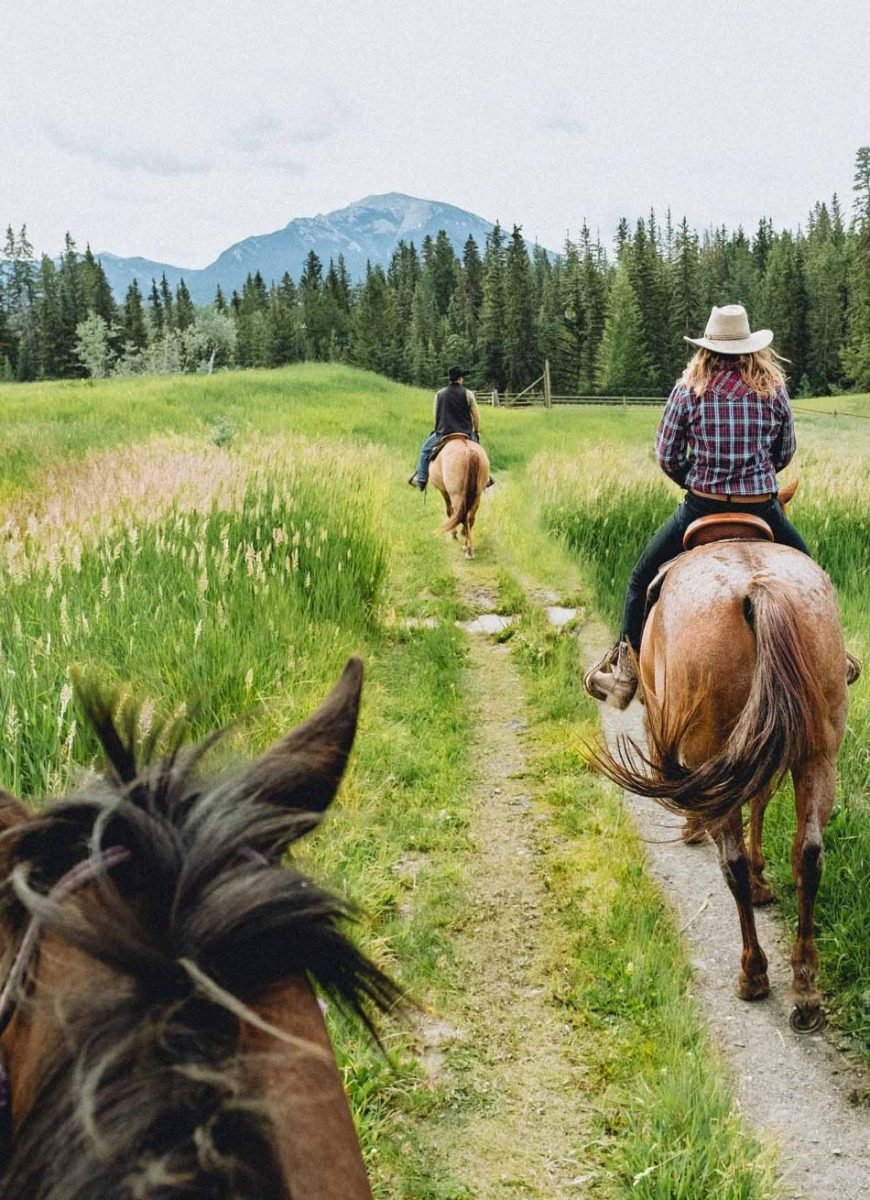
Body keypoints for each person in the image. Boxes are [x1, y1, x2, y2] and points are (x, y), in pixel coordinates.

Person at [585, 303, 861, 710]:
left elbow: (666, 454)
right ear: (751, 348)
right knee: (813, 576)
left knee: (640, 578)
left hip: (701, 507)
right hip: (763, 508)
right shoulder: (774, 391)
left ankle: (625, 674)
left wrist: (695, 479)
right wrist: (757, 477)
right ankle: (835, 660)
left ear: (707, 348)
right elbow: (784, 452)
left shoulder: (688, 391)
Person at [408, 366, 493, 490]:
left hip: (444, 432)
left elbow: (435, 415)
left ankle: (421, 479)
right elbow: (475, 415)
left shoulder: (439, 394)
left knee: (425, 450)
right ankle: (486, 478)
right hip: (465, 432)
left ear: (450, 379)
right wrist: (476, 430)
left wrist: (439, 428)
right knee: (479, 450)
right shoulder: (468, 394)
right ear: (460, 379)